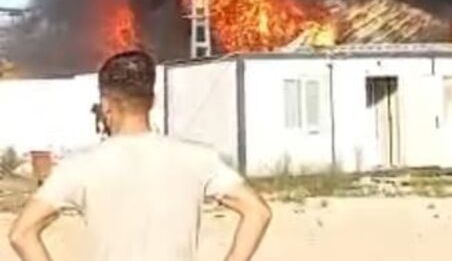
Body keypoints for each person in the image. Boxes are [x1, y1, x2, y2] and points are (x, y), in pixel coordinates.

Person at [8, 50, 272, 261]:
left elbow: (21, 234)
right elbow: (257, 212)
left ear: (106, 106)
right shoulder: (198, 158)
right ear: (152, 101)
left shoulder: (78, 167)